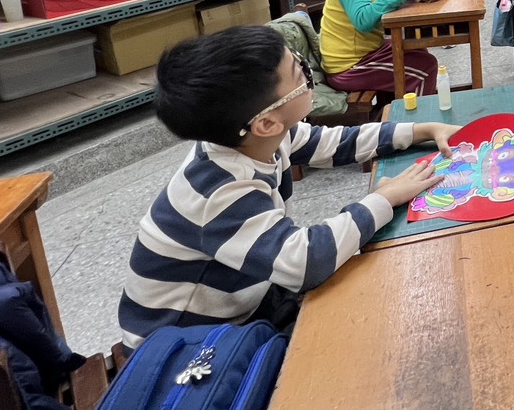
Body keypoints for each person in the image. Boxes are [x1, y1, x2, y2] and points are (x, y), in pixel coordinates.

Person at [118, 26, 457, 347]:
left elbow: (338, 142)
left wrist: (420, 130)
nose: (309, 74)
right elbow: (307, 261)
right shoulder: (219, 193)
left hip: (245, 302)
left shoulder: (260, 138)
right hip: (185, 348)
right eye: (300, 74)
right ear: (266, 122)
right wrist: (383, 198)